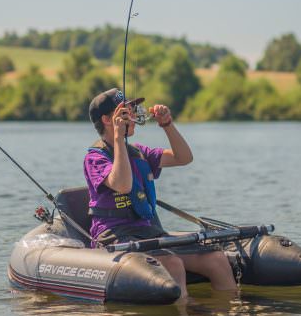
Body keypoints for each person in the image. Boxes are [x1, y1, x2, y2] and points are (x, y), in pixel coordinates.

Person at [83, 88, 236, 300]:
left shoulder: (139, 152)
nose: (134, 116)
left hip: (148, 231)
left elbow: (183, 157)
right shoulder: (95, 158)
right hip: (114, 235)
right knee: (172, 264)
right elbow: (123, 185)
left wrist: (167, 125)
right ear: (108, 120)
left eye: (132, 110)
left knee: (216, 259)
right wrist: (118, 138)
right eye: (126, 113)